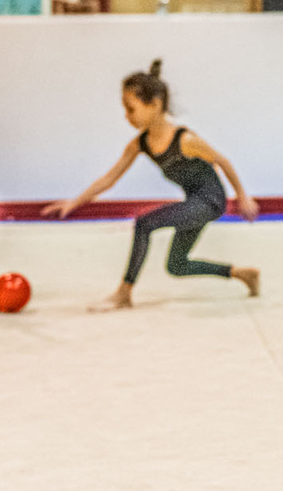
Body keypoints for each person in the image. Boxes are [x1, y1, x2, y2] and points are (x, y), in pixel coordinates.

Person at [44, 59, 262, 307]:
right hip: (194, 202)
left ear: (155, 104)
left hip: (210, 201)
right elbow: (109, 178)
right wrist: (74, 202)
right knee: (177, 265)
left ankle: (124, 293)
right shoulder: (141, 144)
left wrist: (242, 196)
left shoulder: (185, 140)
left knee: (145, 223)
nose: (127, 116)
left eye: (131, 108)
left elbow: (222, 161)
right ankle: (243, 274)